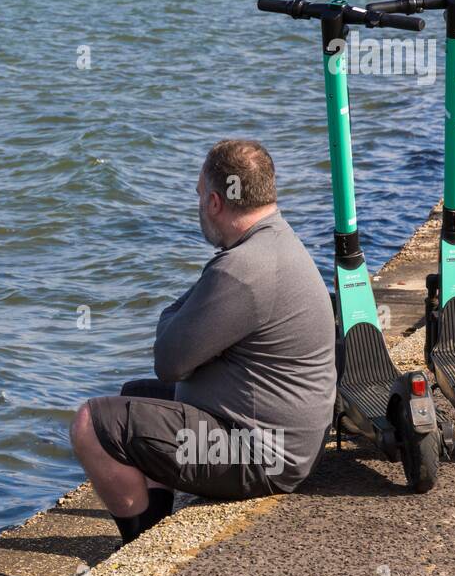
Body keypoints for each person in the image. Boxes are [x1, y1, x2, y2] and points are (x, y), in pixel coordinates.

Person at [70, 139, 336, 545]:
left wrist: (174, 315)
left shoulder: (241, 270)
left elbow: (170, 359)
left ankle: (139, 547)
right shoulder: (276, 241)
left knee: (91, 424)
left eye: (198, 195)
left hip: (263, 455)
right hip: (288, 439)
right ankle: (154, 533)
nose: (197, 205)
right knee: (134, 398)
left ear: (215, 202)